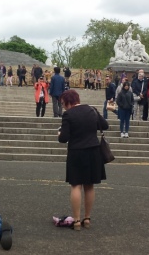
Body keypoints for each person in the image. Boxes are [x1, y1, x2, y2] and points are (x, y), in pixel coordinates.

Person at [58, 90, 108, 231]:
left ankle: (77, 220)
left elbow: (63, 138)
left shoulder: (68, 114)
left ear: (68, 102)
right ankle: (87, 218)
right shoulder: (92, 109)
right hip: (93, 151)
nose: (63, 107)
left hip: (76, 152)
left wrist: (59, 133)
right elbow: (105, 125)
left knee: (75, 185)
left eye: (63, 104)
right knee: (89, 185)